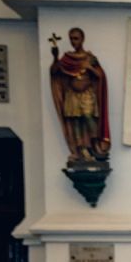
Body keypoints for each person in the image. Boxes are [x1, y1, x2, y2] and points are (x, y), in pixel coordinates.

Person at [49, 27, 110, 165]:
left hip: (87, 94)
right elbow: (54, 72)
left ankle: (95, 145)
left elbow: (100, 76)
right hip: (72, 95)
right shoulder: (67, 59)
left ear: (82, 39)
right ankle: (80, 150)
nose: (73, 41)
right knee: (75, 121)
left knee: (89, 117)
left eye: (76, 38)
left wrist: (89, 68)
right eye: (71, 39)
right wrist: (55, 57)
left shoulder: (90, 58)